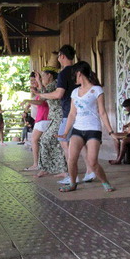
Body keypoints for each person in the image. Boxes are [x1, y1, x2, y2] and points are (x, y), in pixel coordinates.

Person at [37, 45, 95, 182]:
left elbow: (59, 94)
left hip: (69, 113)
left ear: (62, 56)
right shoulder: (79, 71)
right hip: (84, 111)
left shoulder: (64, 73)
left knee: (64, 142)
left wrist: (43, 95)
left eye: (58, 57)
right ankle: (90, 171)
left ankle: (71, 175)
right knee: (82, 144)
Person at [57, 61, 116, 192]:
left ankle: (105, 182)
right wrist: (66, 132)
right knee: (71, 159)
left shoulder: (97, 90)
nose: (73, 79)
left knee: (92, 161)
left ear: (79, 73)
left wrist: (111, 132)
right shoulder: (74, 92)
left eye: (74, 76)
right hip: (78, 129)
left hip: (93, 129)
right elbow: (72, 113)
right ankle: (72, 183)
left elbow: (102, 112)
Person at [34, 68, 67, 177]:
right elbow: (44, 93)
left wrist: (38, 88)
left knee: (46, 139)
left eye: (43, 76)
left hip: (59, 116)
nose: (42, 79)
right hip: (55, 117)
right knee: (53, 141)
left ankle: (54, 168)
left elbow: (42, 97)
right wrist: (39, 83)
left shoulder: (55, 85)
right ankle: (52, 168)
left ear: (50, 75)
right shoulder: (52, 85)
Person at [22, 71, 50, 170]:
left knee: (34, 140)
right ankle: (40, 164)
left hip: (44, 119)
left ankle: (36, 164)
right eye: (31, 81)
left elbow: (40, 102)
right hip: (40, 119)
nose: (32, 82)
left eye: (35, 80)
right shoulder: (38, 93)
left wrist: (27, 100)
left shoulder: (44, 91)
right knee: (39, 142)